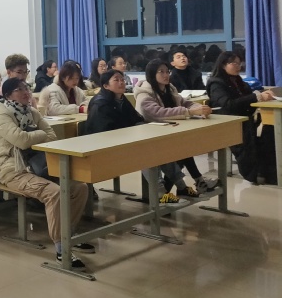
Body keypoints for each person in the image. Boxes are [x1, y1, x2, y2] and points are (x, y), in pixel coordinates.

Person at [0, 77, 93, 270]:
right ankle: (61, 248)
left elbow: (52, 136)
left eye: (26, 88)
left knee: (80, 188)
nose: (25, 92)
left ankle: (69, 234)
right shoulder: (3, 115)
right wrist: (38, 134)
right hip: (13, 170)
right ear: (8, 95)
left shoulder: (32, 112)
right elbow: (21, 140)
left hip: (40, 166)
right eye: (19, 89)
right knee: (54, 193)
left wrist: (32, 135)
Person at [86, 70, 191, 202]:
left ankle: (181, 186)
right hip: (104, 149)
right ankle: (159, 193)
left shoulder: (121, 99)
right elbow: (104, 133)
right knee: (145, 152)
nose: (121, 82)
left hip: (123, 143)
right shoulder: (100, 104)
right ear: (106, 86)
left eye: (122, 79)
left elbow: (136, 119)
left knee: (159, 147)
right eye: (116, 80)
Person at [135, 59, 219, 194]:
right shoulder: (144, 93)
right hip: (152, 136)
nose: (166, 75)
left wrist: (200, 108)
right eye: (161, 72)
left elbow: (185, 103)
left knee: (183, 149)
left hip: (170, 132)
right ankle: (180, 189)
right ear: (151, 74)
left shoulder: (170, 88)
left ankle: (191, 185)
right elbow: (158, 113)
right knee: (180, 151)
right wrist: (190, 112)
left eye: (167, 71)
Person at [206, 52, 277, 184]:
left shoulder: (239, 81)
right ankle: (255, 174)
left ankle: (269, 172)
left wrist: (262, 95)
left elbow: (249, 97)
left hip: (246, 118)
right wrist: (257, 97)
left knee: (271, 131)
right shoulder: (216, 83)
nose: (238, 66)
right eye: (234, 63)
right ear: (223, 65)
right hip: (229, 122)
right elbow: (228, 105)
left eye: (240, 63)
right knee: (249, 141)